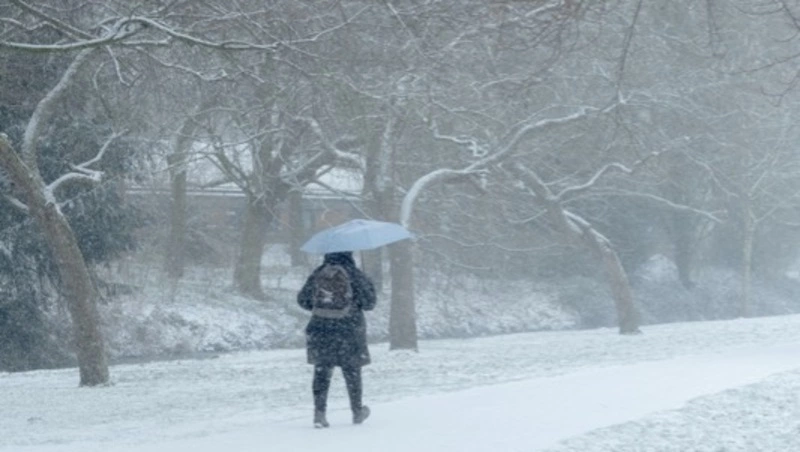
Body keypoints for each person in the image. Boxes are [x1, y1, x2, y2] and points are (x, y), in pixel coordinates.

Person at [297, 251, 377, 428]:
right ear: (349, 255)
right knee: (352, 371)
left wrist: (322, 308)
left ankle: (319, 413)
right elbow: (370, 303)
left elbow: (302, 300)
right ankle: (357, 411)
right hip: (349, 330)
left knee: (322, 372)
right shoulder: (355, 274)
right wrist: (368, 283)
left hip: (320, 329)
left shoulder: (318, 273)